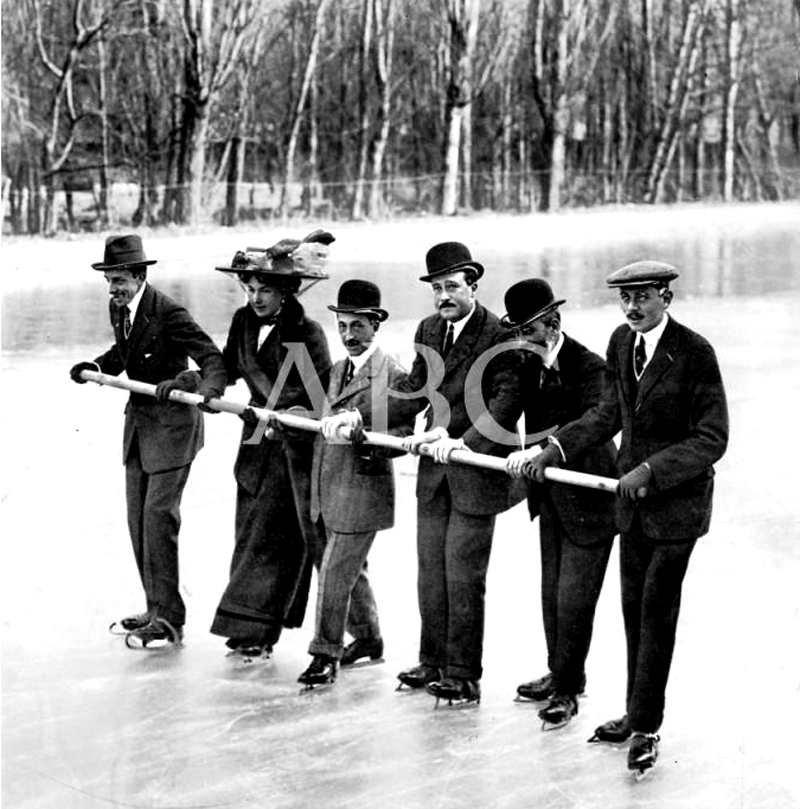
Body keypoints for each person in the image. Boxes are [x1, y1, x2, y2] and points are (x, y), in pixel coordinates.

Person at [525, 260, 729, 774]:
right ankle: (635, 712)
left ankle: (646, 727)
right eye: (625, 298)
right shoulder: (621, 343)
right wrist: (557, 447)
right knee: (633, 611)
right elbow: (607, 415)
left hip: (676, 510)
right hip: (631, 508)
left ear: (666, 297)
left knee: (656, 614)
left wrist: (651, 471)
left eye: (642, 297)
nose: (632, 307)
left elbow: (712, 436)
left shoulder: (695, 352)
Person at [377, 241, 521, 705]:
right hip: (433, 473)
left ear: (473, 286)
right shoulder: (428, 329)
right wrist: (369, 419)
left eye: (452, 286)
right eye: (437, 288)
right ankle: (433, 659)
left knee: (463, 575)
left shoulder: (499, 334)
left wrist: (462, 443)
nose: (444, 295)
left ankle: (463, 674)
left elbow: (506, 399)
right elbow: (415, 389)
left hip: (474, 471)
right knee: (430, 572)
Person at [69, 234, 227, 646]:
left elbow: (211, 357)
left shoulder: (169, 312)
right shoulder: (118, 308)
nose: (112, 288)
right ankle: (154, 607)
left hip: (174, 430)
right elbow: (124, 353)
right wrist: (95, 365)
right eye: (109, 280)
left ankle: (170, 619)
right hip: (139, 428)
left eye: (119, 279)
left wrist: (202, 388)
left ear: (140, 275)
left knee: (159, 520)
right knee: (137, 521)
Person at [209, 230, 333, 662]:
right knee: (248, 535)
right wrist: (199, 384)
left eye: (266, 290)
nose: (256, 298)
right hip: (254, 443)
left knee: (273, 541)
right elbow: (227, 366)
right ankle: (248, 626)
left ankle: (256, 633)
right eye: (251, 288)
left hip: (291, 449)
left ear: (286, 291)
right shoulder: (244, 321)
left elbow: (322, 402)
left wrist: (288, 418)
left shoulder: (307, 333)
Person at [502, 279, 617, 728]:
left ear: (553, 323)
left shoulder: (590, 367)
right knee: (551, 593)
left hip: (589, 499)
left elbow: (594, 422)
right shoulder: (527, 364)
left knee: (574, 599)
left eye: (528, 332)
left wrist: (545, 449)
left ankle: (568, 690)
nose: (522, 342)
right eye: (517, 333)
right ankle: (559, 672)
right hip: (549, 497)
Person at [297, 280, 411, 687]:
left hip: (363, 493)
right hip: (329, 488)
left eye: (358, 326)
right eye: (343, 326)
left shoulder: (393, 373)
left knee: (333, 572)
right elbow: (323, 422)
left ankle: (324, 653)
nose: (349, 335)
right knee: (350, 570)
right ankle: (368, 639)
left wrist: (364, 438)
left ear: (376, 325)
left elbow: (401, 437)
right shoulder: (337, 370)